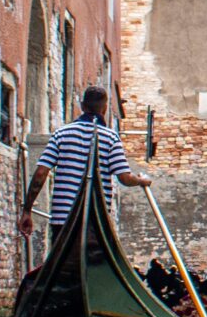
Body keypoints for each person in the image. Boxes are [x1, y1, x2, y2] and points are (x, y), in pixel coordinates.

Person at [19, 86, 150, 243]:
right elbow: (124, 178)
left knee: (64, 266)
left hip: (63, 220)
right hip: (95, 222)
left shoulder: (61, 134)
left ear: (82, 106)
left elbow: (40, 173)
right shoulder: (111, 138)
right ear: (105, 108)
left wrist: (27, 210)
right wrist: (141, 181)